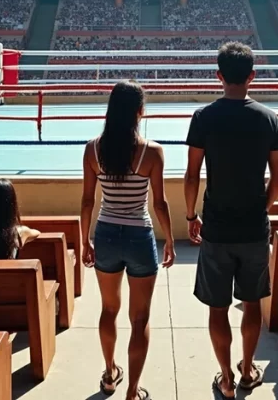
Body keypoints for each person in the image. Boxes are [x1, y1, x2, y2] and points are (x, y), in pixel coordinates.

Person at [184, 42, 278, 399]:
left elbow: (192, 174)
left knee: (218, 307)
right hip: (253, 227)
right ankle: (246, 369)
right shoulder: (269, 119)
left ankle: (225, 377)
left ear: (219, 76)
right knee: (252, 302)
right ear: (252, 77)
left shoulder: (203, 117)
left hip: (216, 226)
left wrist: (191, 214)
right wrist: (264, 206)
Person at [79, 81, 175, 400]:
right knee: (140, 318)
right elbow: (159, 204)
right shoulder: (152, 152)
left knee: (108, 309)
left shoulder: (93, 149)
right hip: (139, 237)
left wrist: (85, 240)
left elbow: (87, 202)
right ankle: (132, 391)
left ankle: (109, 373)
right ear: (139, 112)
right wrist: (171, 241)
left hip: (105, 233)